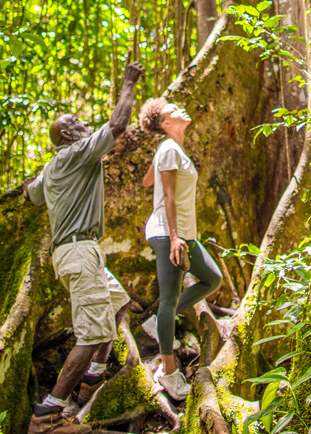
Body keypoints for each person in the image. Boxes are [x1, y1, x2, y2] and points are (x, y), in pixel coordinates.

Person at [22, 62, 144, 434]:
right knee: (90, 334)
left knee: (118, 302)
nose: (84, 124)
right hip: (78, 253)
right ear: (70, 135)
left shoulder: (52, 167)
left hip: (78, 253)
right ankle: (47, 414)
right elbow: (118, 125)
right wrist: (127, 83)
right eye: (77, 122)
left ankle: (92, 379)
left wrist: (33, 181)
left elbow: (30, 196)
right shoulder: (75, 154)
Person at [138, 97, 223, 401]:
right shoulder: (169, 149)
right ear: (165, 124)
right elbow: (169, 197)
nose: (182, 109)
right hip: (168, 233)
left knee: (212, 279)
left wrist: (158, 158)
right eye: (174, 111)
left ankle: (158, 322)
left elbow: (149, 182)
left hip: (184, 233)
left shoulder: (171, 150)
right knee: (169, 299)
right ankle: (169, 373)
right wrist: (175, 238)